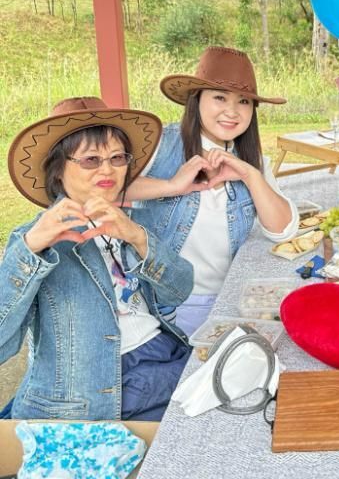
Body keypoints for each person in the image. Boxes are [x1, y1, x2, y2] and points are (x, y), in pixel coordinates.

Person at [0, 97, 194, 421]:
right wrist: (31, 248)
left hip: (163, 362)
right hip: (90, 392)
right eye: (91, 159)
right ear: (58, 169)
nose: (108, 169)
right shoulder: (34, 239)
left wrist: (137, 237)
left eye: (117, 158)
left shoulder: (128, 222)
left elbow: (179, 289)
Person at [129, 47, 299, 334]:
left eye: (243, 101)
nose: (232, 112)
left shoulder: (252, 160)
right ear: (197, 100)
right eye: (219, 97)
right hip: (168, 303)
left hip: (232, 298)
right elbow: (110, 191)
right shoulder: (160, 146)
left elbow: (284, 230)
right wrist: (171, 186)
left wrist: (250, 175)